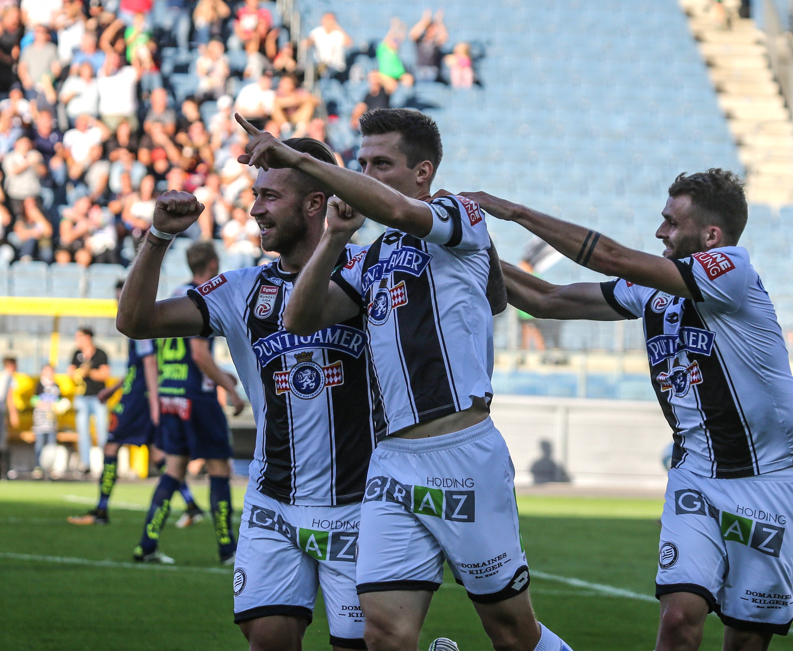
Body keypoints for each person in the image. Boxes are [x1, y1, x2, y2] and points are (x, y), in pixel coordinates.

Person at [234, 109, 558, 651]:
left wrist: (293, 156)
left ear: (423, 172)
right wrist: (335, 239)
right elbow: (300, 318)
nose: (367, 175)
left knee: (511, 632)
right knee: (382, 633)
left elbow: (398, 212)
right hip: (390, 466)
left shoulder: (460, 215)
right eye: (362, 164)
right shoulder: (374, 256)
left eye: (381, 163)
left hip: (462, 452)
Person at [461, 169, 793, 650]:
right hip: (696, 474)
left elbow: (611, 257)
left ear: (711, 236)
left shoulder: (732, 271)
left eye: (672, 223)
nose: (660, 232)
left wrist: (516, 212)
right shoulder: (652, 291)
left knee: (747, 638)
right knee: (678, 619)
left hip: (769, 480)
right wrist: (463, 248)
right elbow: (547, 299)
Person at [117, 137, 386, 650]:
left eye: (270, 196)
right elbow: (135, 321)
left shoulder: (368, 268)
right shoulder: (240, 288)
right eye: (255, 194)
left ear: (315, 204)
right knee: (267, 640)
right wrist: (156, 237)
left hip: (358, 505)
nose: (255, 207)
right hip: (273, 504)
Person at [130, 241, 245, 564]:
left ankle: (147, 544)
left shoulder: (174, 294)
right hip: (197, 396)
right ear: (212, 263)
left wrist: (222, 375)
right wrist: (230, 389)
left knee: (175, 469)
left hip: (171, 393)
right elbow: (198, 353)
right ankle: (228, 550)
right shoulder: (203, 296)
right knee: (219, 467)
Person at [69, 281, 204, 527]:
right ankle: (192, 505)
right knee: (158, 455)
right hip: (141, 391)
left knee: (112, 446)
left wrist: (153, 402)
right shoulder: (140, 322)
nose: (119, 304)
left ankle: (101, 510)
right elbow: (139, 366)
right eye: (118, 299)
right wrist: (112, 388)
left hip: (139, 398)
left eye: (123, 298)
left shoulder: (140, 324)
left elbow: (150, 364)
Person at [68, 327, 111, 474]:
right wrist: (80, 372)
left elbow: (105, 374)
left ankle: (106, 464)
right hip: (81, 398)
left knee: (102, 432)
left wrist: (89, 372)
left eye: (79, 336)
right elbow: (71, 373)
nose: (77, 340)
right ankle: (85, 464)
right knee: (83, 432)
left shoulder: (100, 353)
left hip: (98, 397)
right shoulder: (76, 354)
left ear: (88, 337)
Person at [29, 364, 63, 477]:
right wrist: (44, 405)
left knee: (51, 446)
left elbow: (60, 402)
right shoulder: (39, 385)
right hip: (40, 422)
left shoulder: (56, 386)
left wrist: (58, 407)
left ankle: (50, 468)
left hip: (52, 423)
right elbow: (33, 400)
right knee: (39, 444)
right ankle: (38, 467)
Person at [304, 12, 352, 80]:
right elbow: (307, 42)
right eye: (327, 19)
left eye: (332, 19)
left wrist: (338, 28)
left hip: (336, 68)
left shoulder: (338, 33)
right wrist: (309, 42)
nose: (329, 22)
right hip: (320, 65)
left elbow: (350, 44)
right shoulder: (317, 32)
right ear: (322, 20)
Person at [409, 9, 447, 83]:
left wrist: (439, 21)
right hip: (419, 69)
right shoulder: (420, 40)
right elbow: (412, 34)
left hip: (432, 70)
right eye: (431, 28)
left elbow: (444, 37)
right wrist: (425, 21)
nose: (433, 31)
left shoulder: (436, 42)